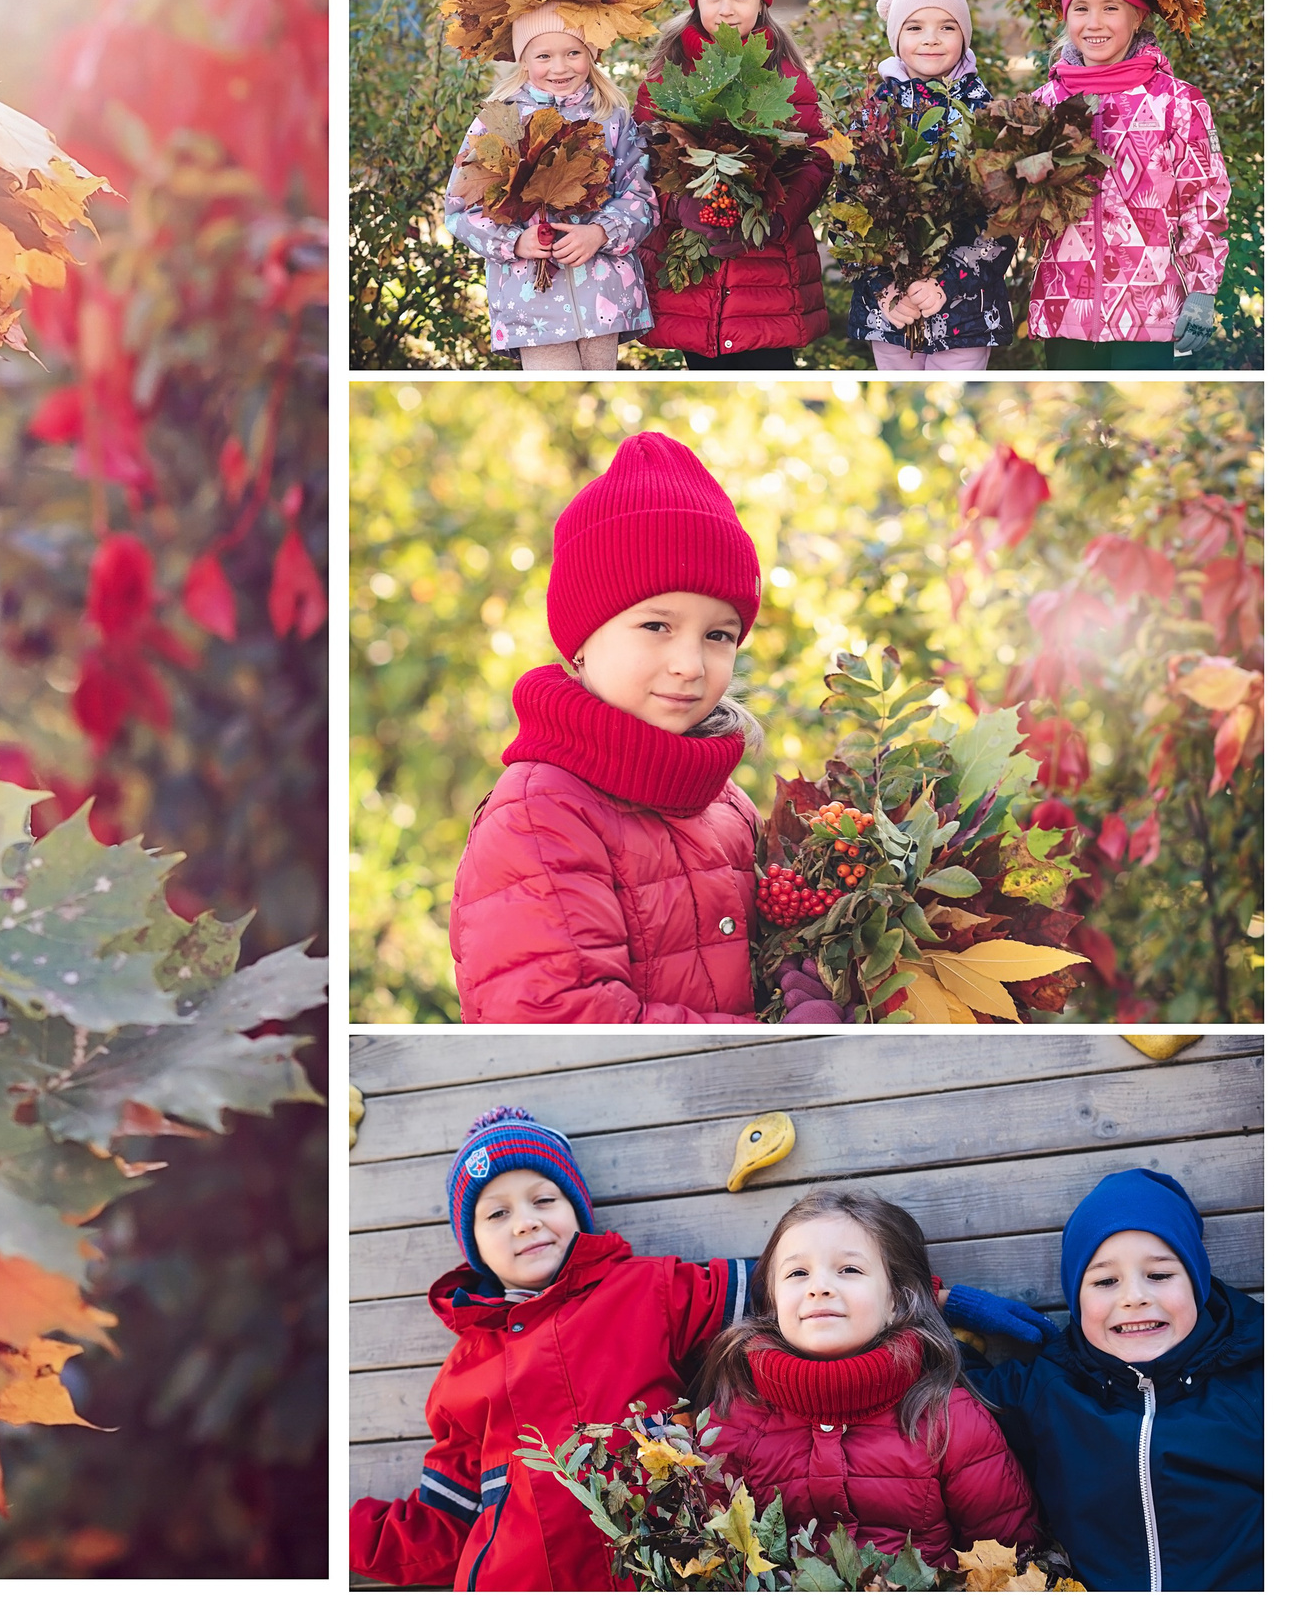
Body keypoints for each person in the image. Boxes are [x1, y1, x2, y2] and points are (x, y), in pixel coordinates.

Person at [448, 432, 822, 1023]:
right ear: (581, 642)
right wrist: (775, 1040)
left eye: (718, 635)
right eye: (656, 626)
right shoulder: (543, 815)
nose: (691, 664)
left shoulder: (726, 807)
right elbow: (565, 1022)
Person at [349, 1109, 751, 1588]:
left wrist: (832, 1271)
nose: (525, 1222)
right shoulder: (464, 1373)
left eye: (543, 1199)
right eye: (497, 1213)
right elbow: (443, 1525)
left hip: (670, 1573)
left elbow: (776, 1295)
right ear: (472, 1244)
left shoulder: (648, 1289)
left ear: (576, 1209)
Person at [694, 1187, 1040, 1570]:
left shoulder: (949, 1419)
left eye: (849, 1270)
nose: (819, 1286)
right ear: (773, 1304)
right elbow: (714, 1563)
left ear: (895, 1301)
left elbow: (1010, 1564)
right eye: (797, 1273)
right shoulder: (732, 1421)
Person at [960, 1169, 1262, 1591]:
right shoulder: (1044, 1391)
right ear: (1076, 1298)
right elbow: (941, 1377)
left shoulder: (1258, 1381)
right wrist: (944, 1300)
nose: (1134, 1296)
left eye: (1159, 1275)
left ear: (1196, 1282)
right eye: (1105, 1281)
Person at [998, 0, 1229, 368]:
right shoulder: (1044, 105)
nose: (1094, 23)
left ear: (1138, 16)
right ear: (1066, 17)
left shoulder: (1177, 103)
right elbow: (1023, 211)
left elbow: (1204, 199)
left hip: (1150, 310)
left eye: (1111, 7)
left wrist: (1202, 290)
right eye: (1081, 8)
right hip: (1066, 305)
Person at [436, 0, 662, 369]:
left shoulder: (609, 115)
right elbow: (461, 208)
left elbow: (640, 195)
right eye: (543, 56)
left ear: (591, 54)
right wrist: (513, 242)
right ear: (523, 58)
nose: (560, 67)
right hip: (532, 301)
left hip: (603, 297)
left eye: (573, 53)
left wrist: (600, 232)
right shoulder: (501, 120)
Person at [632, 0, 835, 368]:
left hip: (767, 281)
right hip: (693, 282)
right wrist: (683, 208)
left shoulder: (786, 78)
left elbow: (817, 159)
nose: (727, 9)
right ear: (695, 2)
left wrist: (776, 217)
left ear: (761, 2)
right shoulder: (667, 80)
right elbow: (642, 164)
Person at [842, 0, 1013, 369]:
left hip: (964, 309)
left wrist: (946, 284)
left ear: (965, 36)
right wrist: (885, 288)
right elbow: (849, 210)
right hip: (892, 310)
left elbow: (1003, 215)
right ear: (896, 36)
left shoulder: (986, 115)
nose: (931, 38)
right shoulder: (872, 116)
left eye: (947, 27)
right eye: (915, 27)